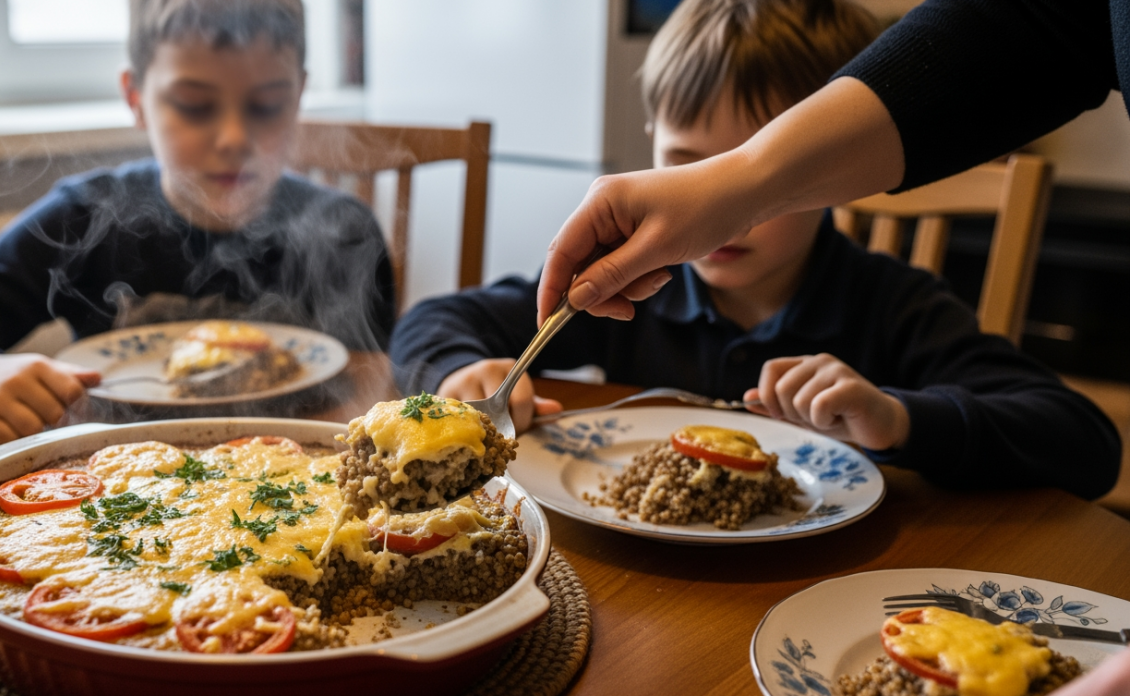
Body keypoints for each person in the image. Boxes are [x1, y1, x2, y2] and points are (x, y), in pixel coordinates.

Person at [390, 0, 1121, 500]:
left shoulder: (893, 305)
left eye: (746, 173)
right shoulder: (636, 292)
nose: (723, 220)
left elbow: (1085, 446)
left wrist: (899, 419)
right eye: (689, 162)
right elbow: (433, 321)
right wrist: (462, 374)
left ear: (836, 167)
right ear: (652, 144)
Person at [0, 0, 395, 445]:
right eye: (194, 105)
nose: (234, 138)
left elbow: (373, 381)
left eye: (268, 105)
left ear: (298, 94)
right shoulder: (84, 217)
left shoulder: (342, 229)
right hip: (118, 489)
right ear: (136, 98)